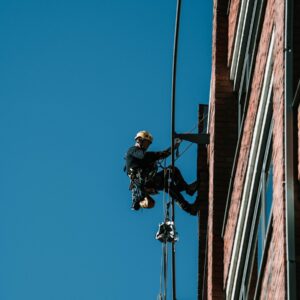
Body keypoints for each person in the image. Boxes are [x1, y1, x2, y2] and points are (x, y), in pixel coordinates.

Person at [124, 130, 199, 215]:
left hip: (147, 183)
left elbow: (158, 155)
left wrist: (173, 147)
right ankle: (188, 189)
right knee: (172, 171)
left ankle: (190, 208)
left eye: (149, 144)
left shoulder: (140, 157)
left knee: (169, 186)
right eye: (146, 143)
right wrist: (161, 154)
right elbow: (146, 156)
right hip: (145, 182)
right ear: (139, 140)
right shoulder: (133, 150)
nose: (147, 146)